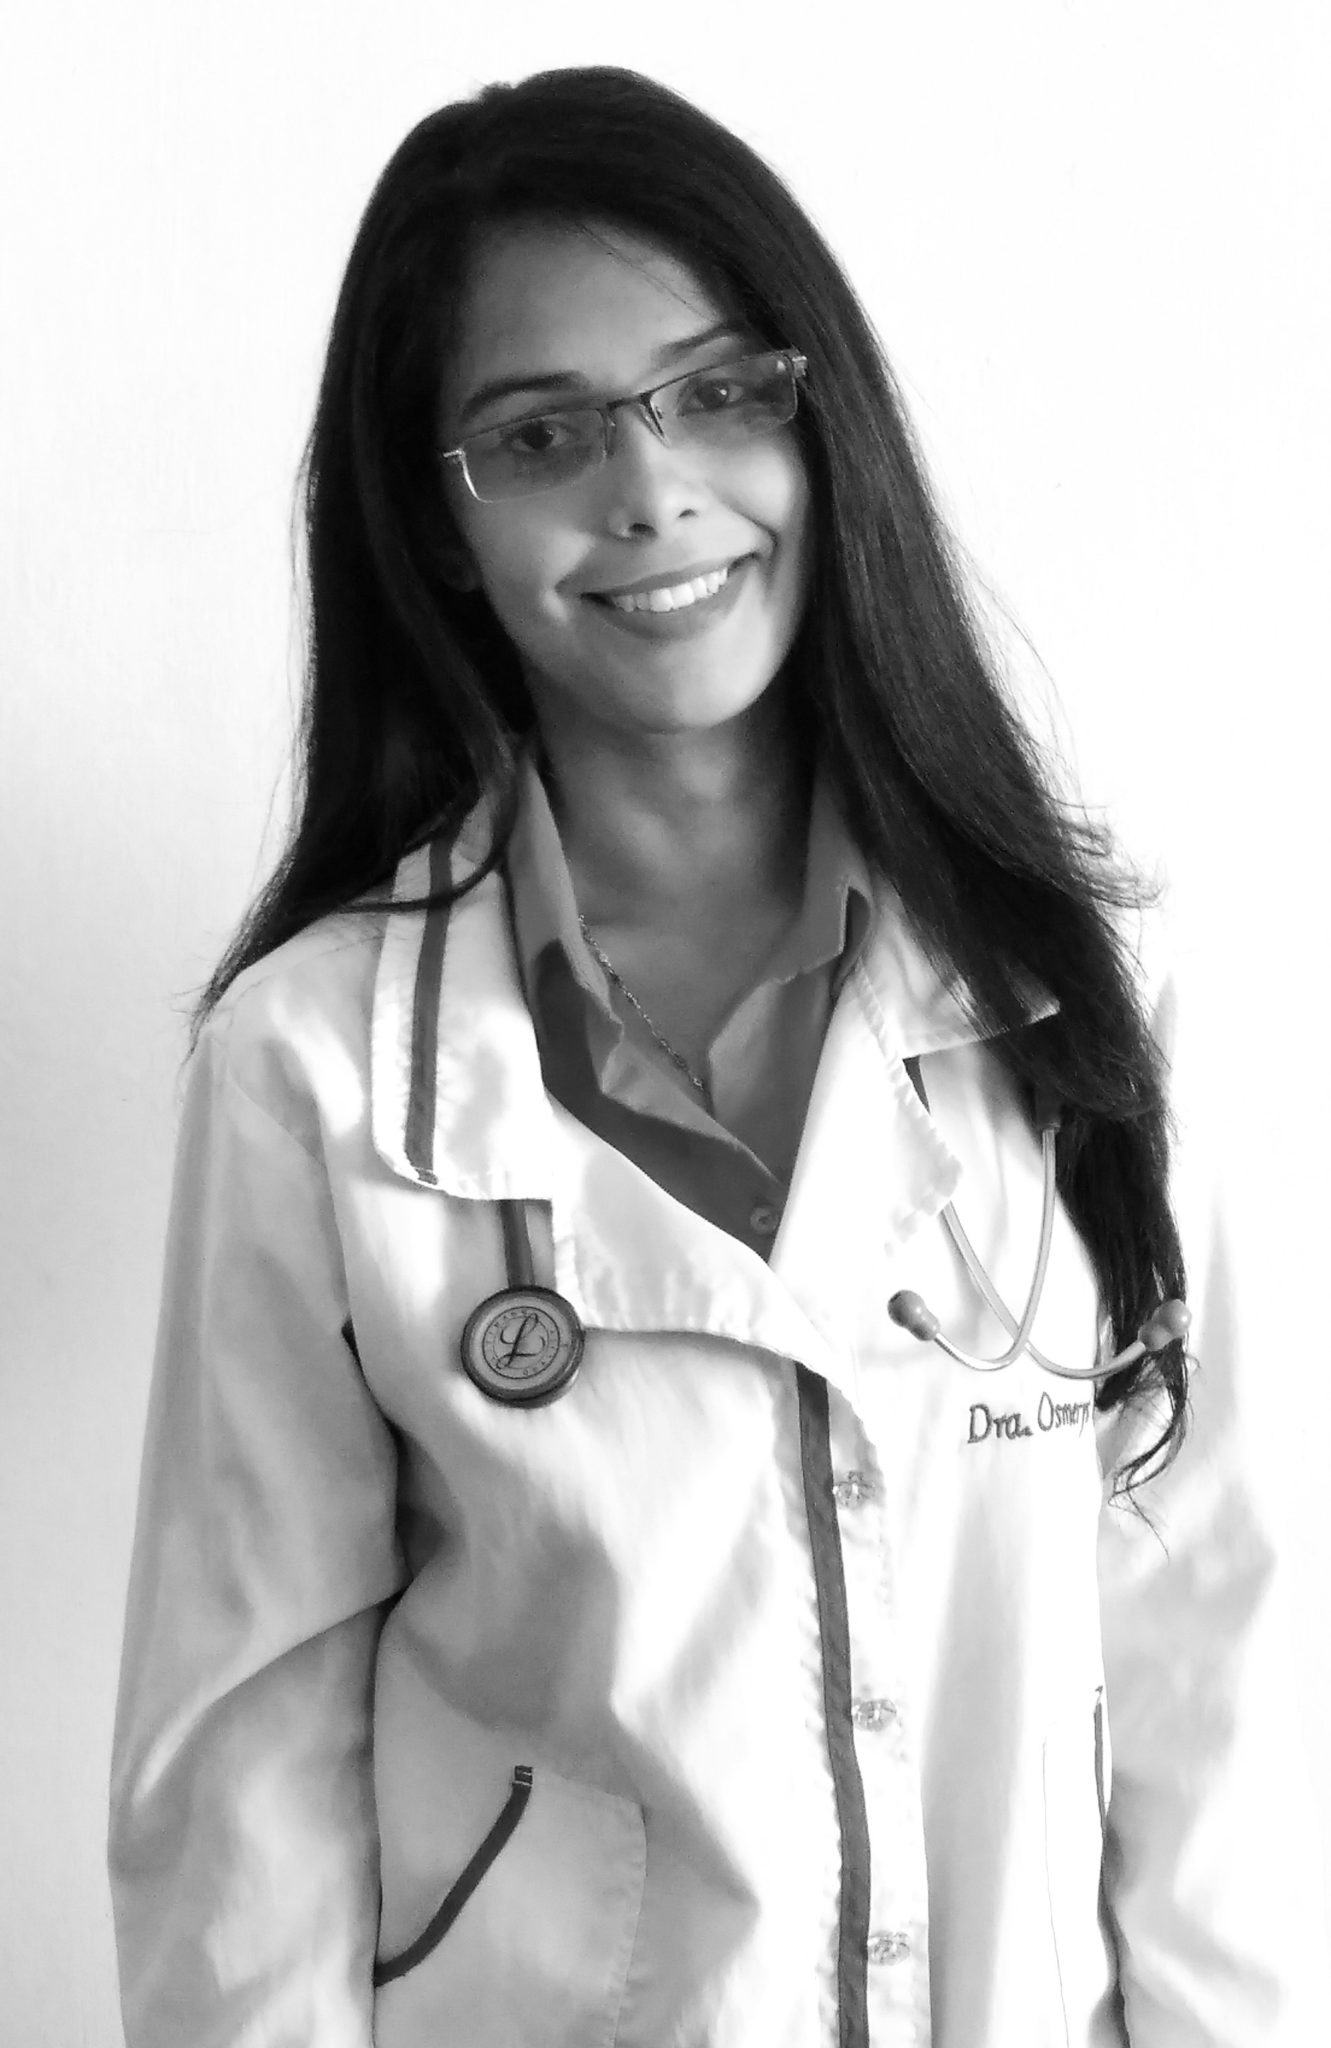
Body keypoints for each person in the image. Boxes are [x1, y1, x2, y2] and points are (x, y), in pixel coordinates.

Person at [107, 65, 1325, 2048]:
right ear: (443, 525)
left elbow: (1225, 1660)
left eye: (717, 393)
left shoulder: (1102, 998)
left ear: (818, 424)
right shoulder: (312, 1066)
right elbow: (240, 1782)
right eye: (542, 433)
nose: (650, 490)